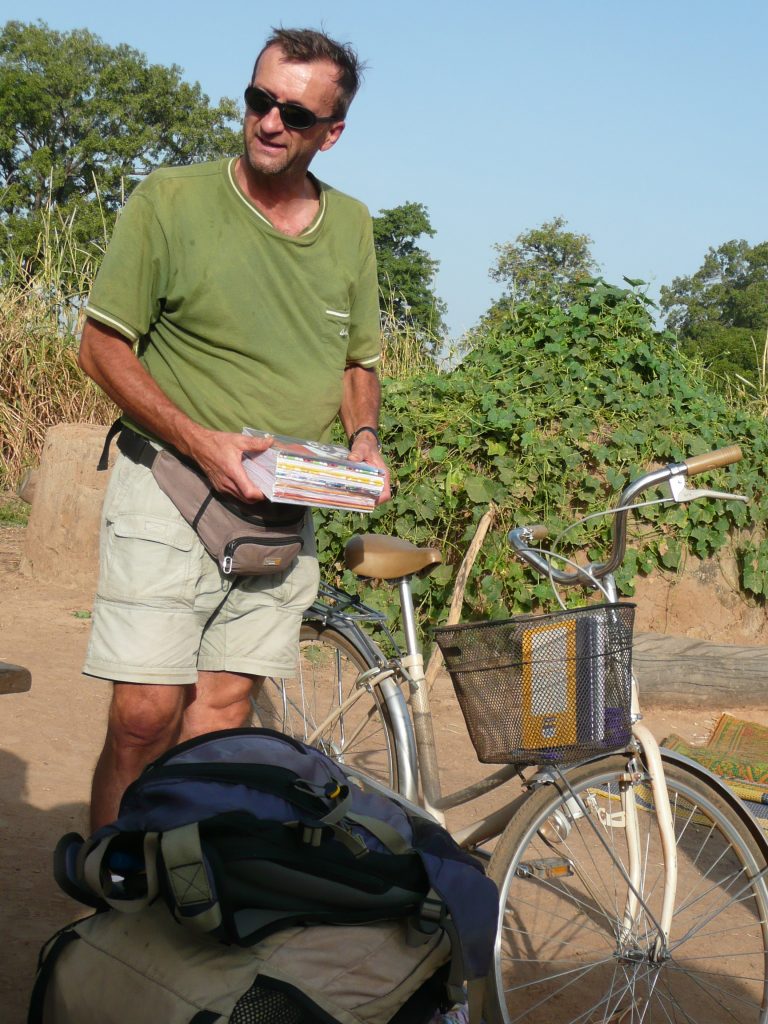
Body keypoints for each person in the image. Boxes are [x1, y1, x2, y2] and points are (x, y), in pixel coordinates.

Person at [78, 27, 390, 830]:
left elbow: (359, 364)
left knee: (219, 719)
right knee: (146, 715)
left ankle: (181, 890)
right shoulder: (172, 199)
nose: (270, 122)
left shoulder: (351, 227)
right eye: (259, 99)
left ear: (332, 133)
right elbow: (100, 346)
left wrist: (363, 441)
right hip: (170, 485)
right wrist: (200, 441)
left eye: (295, 111)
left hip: (281, 511)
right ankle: (113, 892)